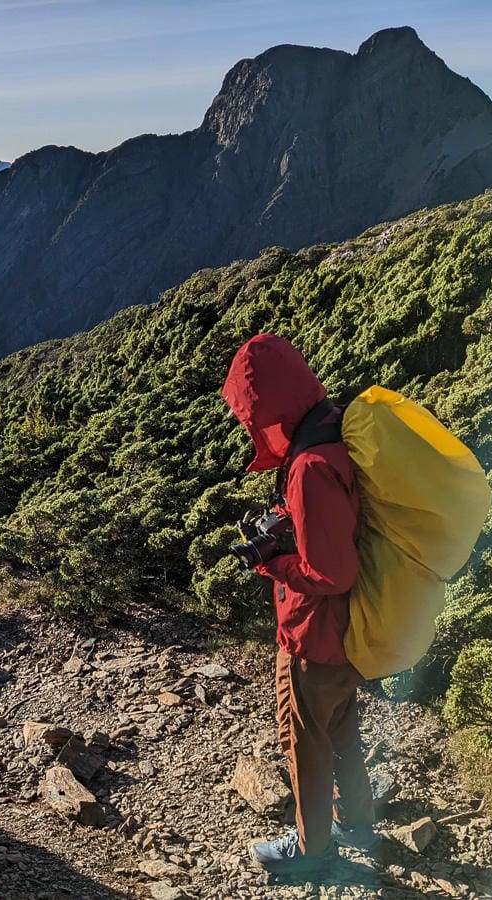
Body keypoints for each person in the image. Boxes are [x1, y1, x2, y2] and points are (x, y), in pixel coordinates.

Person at [221, 333, 378, 878]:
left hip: (313, 636)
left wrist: (272, 562)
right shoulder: (333, 429)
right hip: (347, 632)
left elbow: (330, 573)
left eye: (250, 413)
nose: (251, 426)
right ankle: (356, 819)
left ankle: (312, 850)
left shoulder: (309, 466)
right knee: (342, 728)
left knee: (305, 741)